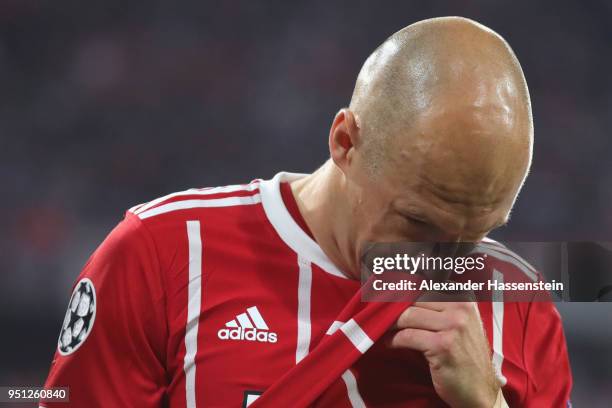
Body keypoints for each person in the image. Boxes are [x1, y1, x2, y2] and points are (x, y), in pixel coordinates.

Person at [42, 16, 572, 407]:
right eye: (419, 224)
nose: (443, 262)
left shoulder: (519, 304)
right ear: (345, 142)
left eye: (475, 235)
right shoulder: (160, 255)